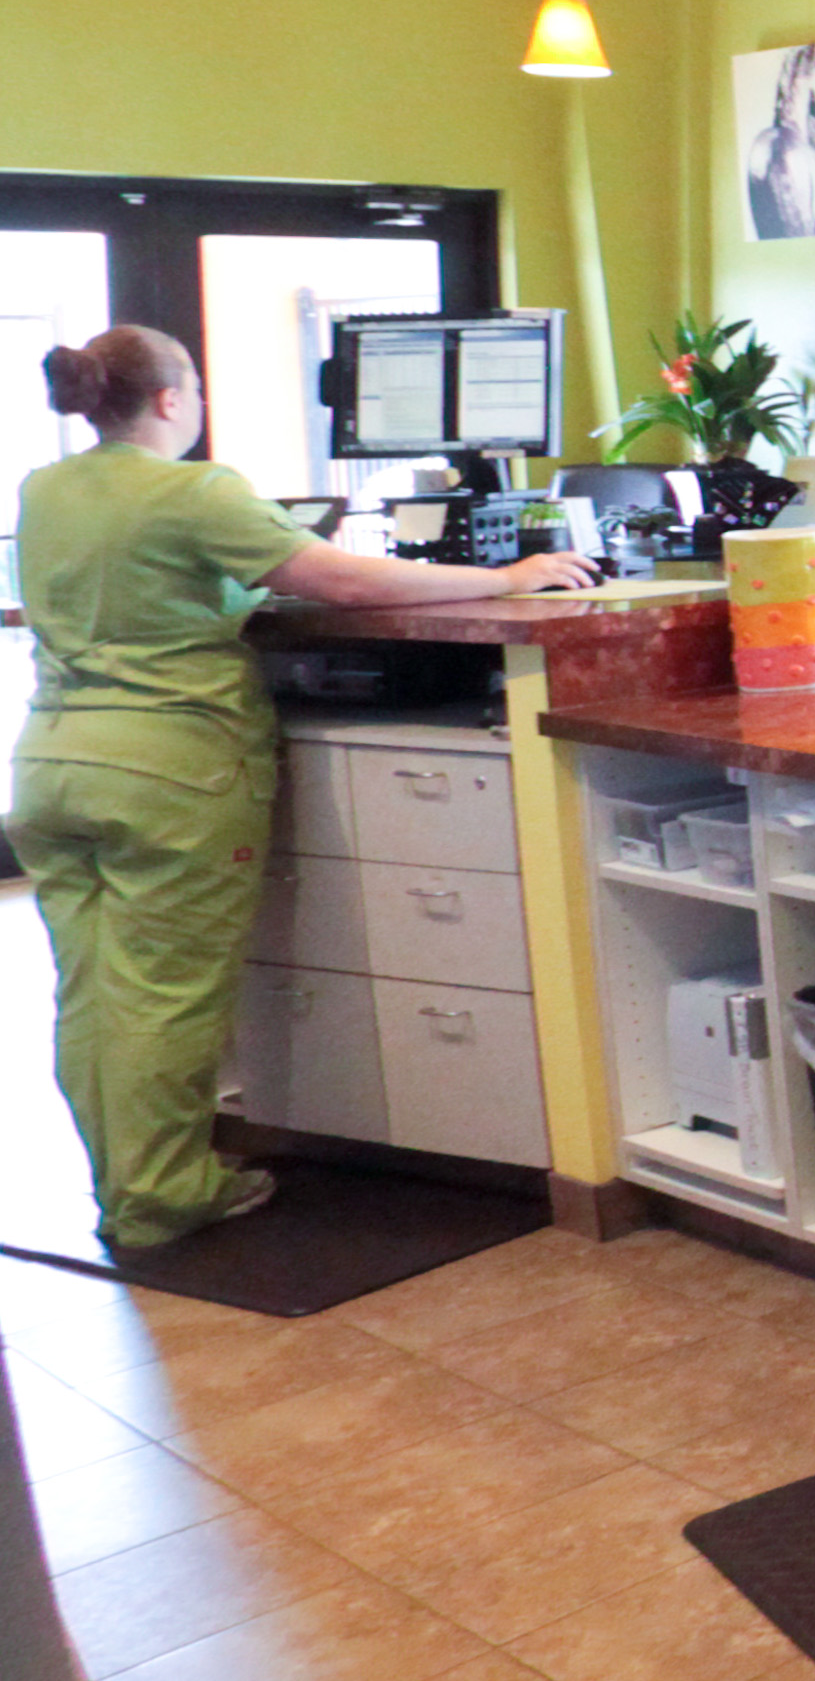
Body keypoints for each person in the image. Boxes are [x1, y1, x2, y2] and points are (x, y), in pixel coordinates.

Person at [11, 328, 596, 1256]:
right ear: (172, 399)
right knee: (166, 995)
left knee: (91, 992)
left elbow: (134, 590)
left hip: (51, 767)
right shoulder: (195, 490)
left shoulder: (45, 488)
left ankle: (122, 1185)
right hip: (169, 773)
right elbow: (338, 581)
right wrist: (509, 575)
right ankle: (164, 1199)